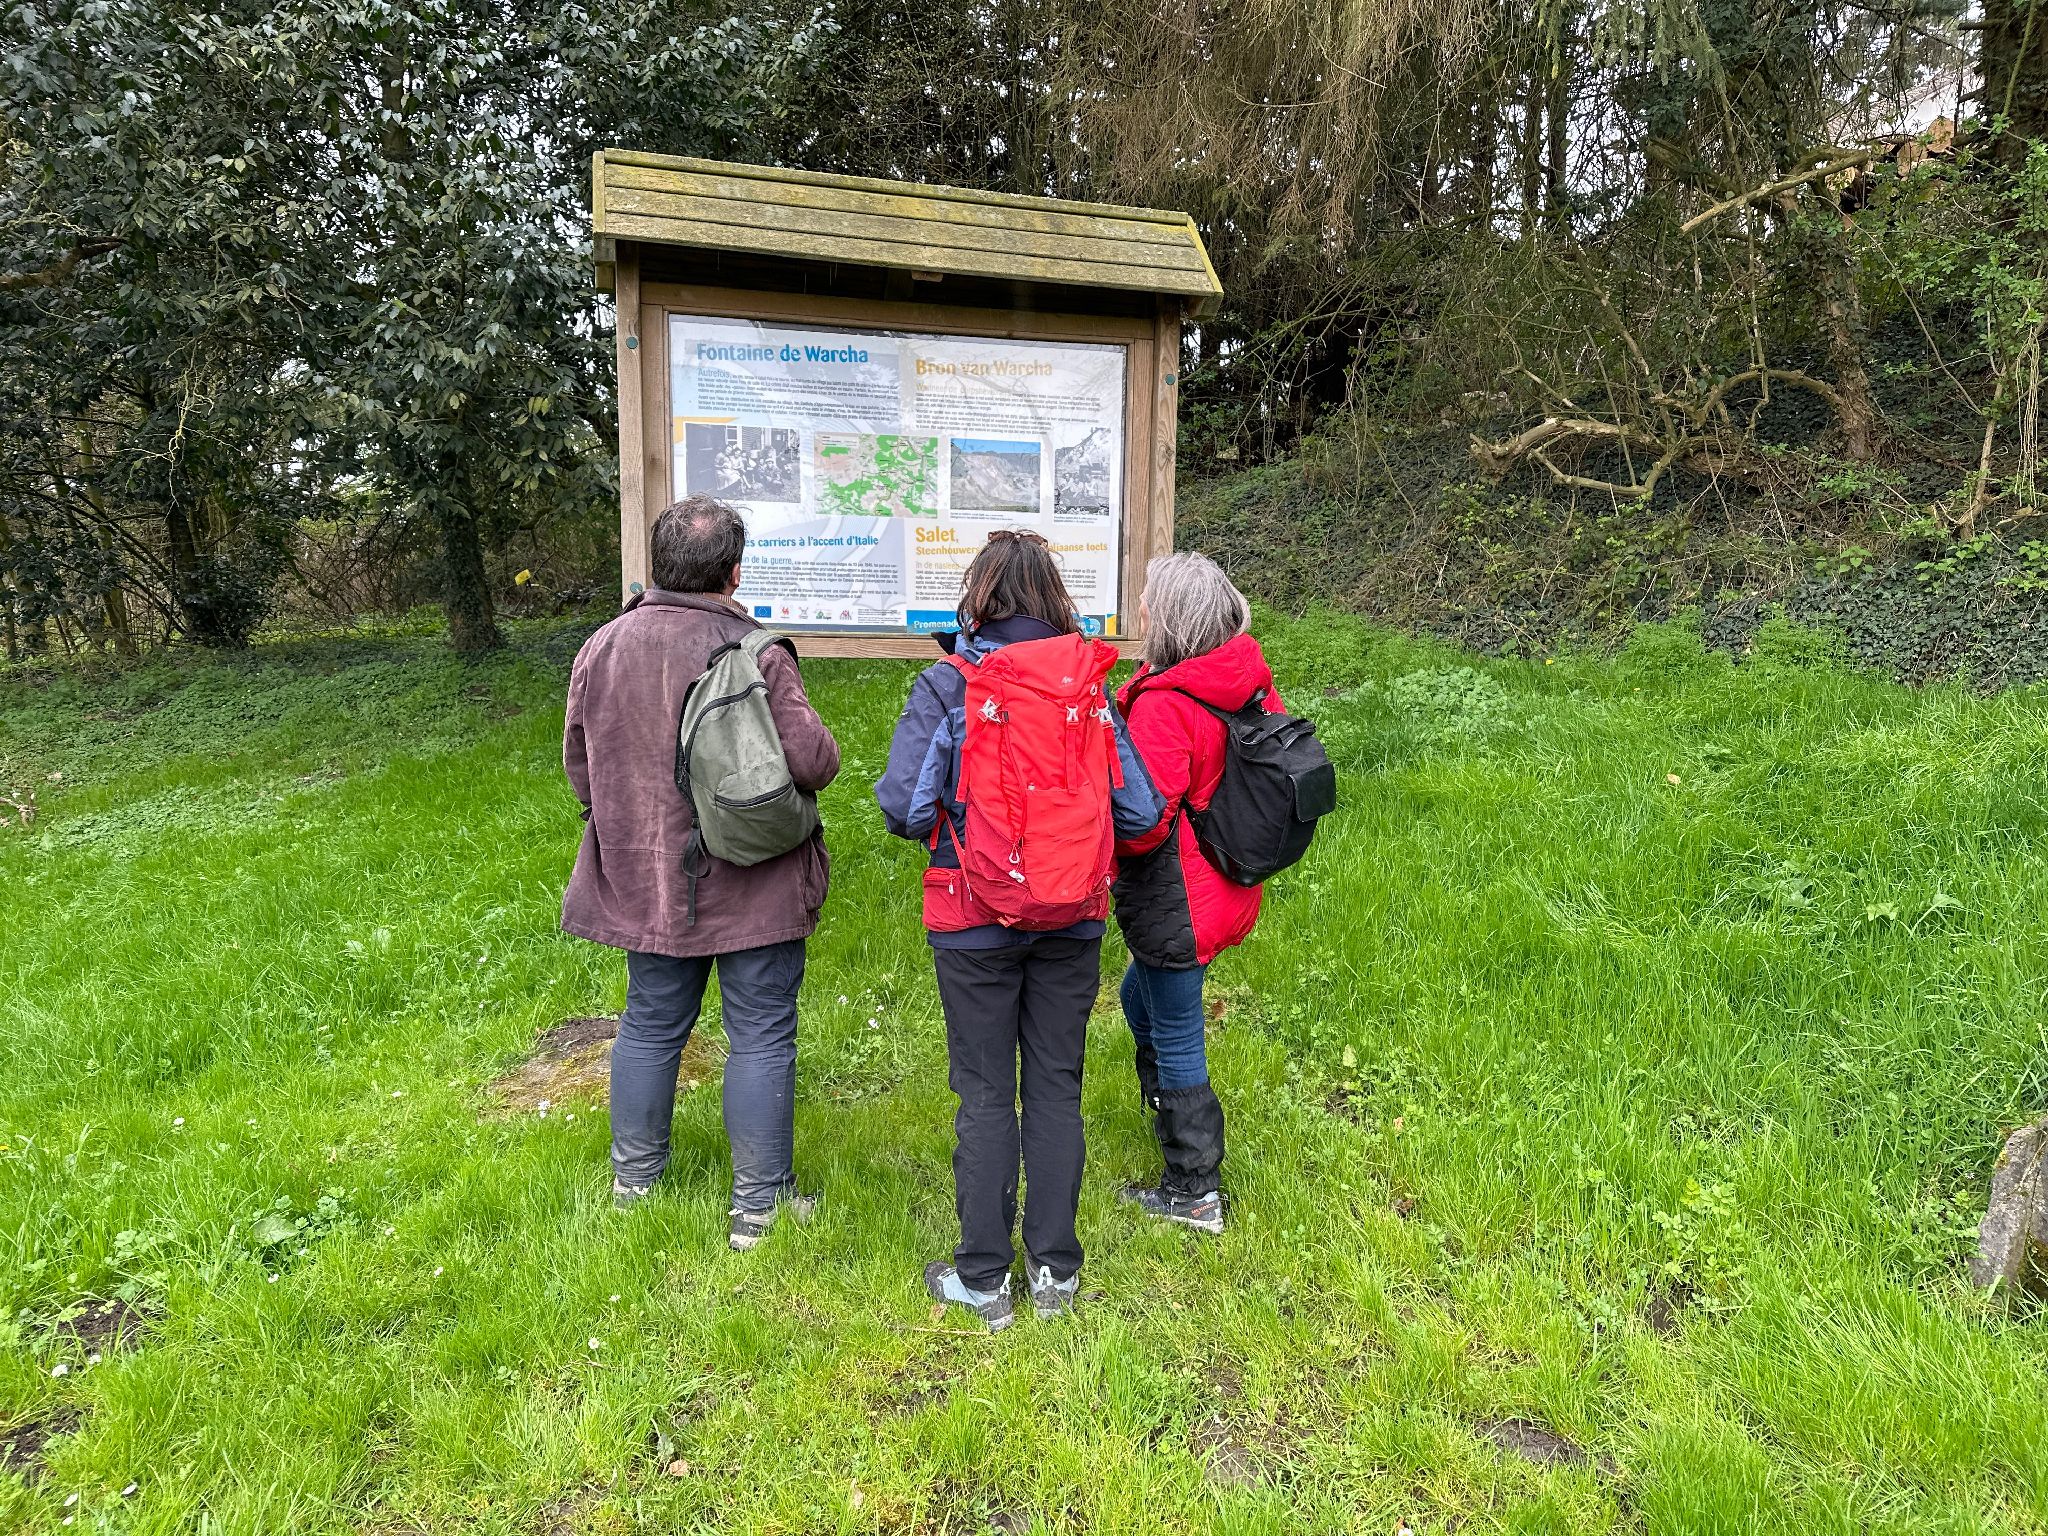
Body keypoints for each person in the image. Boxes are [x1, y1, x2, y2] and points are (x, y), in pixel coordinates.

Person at [875, 531, 1161, 1330]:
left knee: (984, 1094)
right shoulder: (1089, 690)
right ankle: (1056, 1275)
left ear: (979, 597)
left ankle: (984, 1280)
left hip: (971, 917)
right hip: (1073, 918)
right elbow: (1141, 812)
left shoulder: (950, 685)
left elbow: (903, 808)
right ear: (1055, 600)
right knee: (1056, 1088)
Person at [561, 496, 841, 1251]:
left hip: (645, 877)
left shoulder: (602, 647)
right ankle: (759, 1208)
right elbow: (815, 762)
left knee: (650, 1023)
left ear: (658, 565)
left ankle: (634, 1184)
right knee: (761, 1032)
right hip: (756, 877)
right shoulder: (757, 652)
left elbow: (581, 768)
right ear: (735, 571)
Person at [1110, 552, 1285, 1236]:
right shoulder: (1244, 679)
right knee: (1138, 998)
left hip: (1180, 897)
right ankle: (1166, 1109)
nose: (1141, 607)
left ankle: (1194, 1191)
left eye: (1150, 600)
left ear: (1172, 618)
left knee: (1177, 1030)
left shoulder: (1167, 705)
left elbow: (1144, 823)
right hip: (1226, 880)